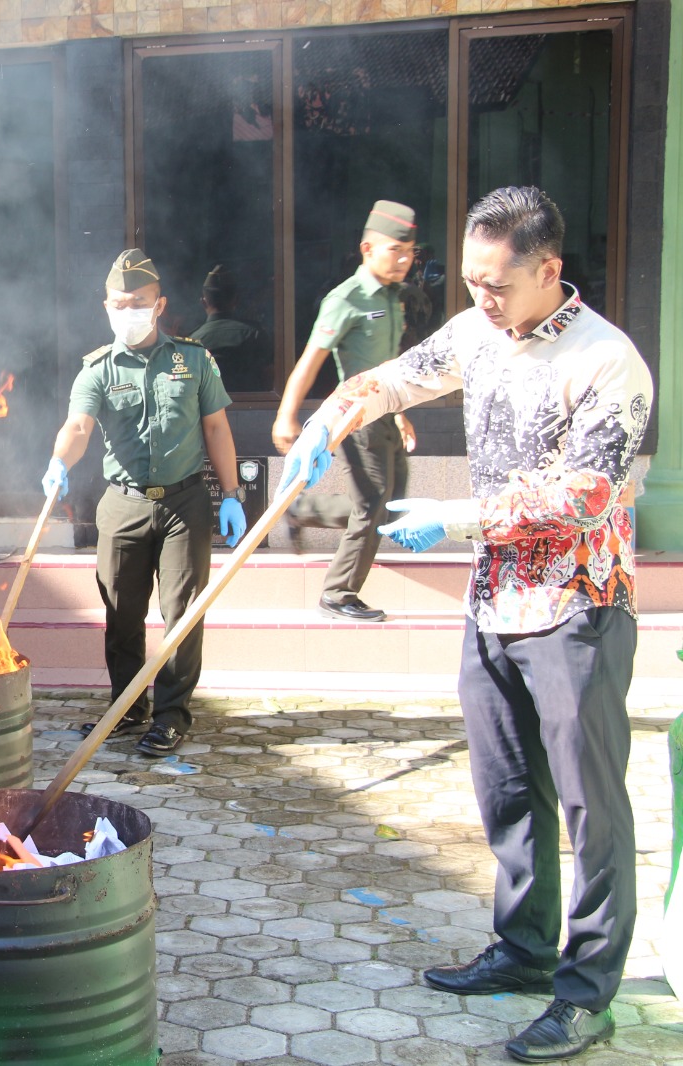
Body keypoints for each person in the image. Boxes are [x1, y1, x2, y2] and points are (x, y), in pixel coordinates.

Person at [284, 186, 652, 1062]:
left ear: (548, 270)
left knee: (590, 808)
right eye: (472, 279)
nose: (479, 298)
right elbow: (392, 377)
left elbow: (588, 492)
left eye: (497, 283)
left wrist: (454, 522)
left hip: (577, 608)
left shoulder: (608, 361)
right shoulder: (478, 331)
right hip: (494, 604)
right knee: (507, 793)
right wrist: (328, 422)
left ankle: (587, 992)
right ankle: (523, 952)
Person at [41, 249, 247, 756]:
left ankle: (172, 715)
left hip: (186, 504)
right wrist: (58, 463)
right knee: (121, 613)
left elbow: (216, 426)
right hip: (123, 505)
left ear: (159, 305)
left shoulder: (193, 359)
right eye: (118, 302)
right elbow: (77, 426)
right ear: (105, 306)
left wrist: (233, 494)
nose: (127, 310)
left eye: (138, 301)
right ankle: (128, 707)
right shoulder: (97, 369)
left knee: (182, 613)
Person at [272, 201, 420, 621]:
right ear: (367, 249)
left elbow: (392, 365)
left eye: (410, 252)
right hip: (355, 419)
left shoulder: (393, 296)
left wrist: (402, 411)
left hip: (387, 412)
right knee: (374, 504)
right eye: (396, 250)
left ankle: (303, 511)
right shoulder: (346, 299)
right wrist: (287, 415)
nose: (405, 260)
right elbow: (310, 360)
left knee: (390, 506)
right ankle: (338, 594)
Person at [189, 265, 271, 394]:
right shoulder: (255, 334)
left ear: (203, 303)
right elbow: (270, 380)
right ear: (236, 300)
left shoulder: (192, 341)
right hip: (253, 410)